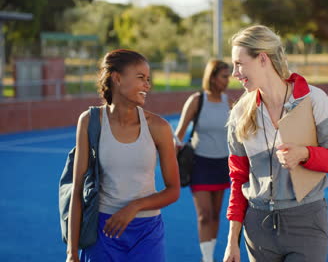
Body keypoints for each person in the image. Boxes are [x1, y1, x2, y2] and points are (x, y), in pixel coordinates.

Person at [223, 25, 328, 262]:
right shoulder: (239, 113)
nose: (235, 73)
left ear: (262, 58)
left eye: (239, 63)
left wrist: (305, 154)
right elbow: (238, 179)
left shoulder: (314, 100)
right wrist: (232, 241)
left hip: (306, 221)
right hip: (258, 228)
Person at [66, 49, 180, 262]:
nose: (147, 85)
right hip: (103, 232)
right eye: (140, 78)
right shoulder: (90, 121)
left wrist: (134, 207)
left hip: (147, 233)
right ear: (117, 78)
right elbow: (78, 189)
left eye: (148, 79)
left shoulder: (159, 127)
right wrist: (72, 252)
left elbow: (173, 191)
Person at [174, 59, 232, 262]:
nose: (228, 80)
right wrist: (169, 162)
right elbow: (178, 135)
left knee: (216, 214)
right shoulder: (197, 100)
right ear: (213, 76)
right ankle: (207, 258)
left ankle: (210, 253)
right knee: (204, 215)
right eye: (224, 76)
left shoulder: (228, 102)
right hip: (200, 164)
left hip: (222, 164)